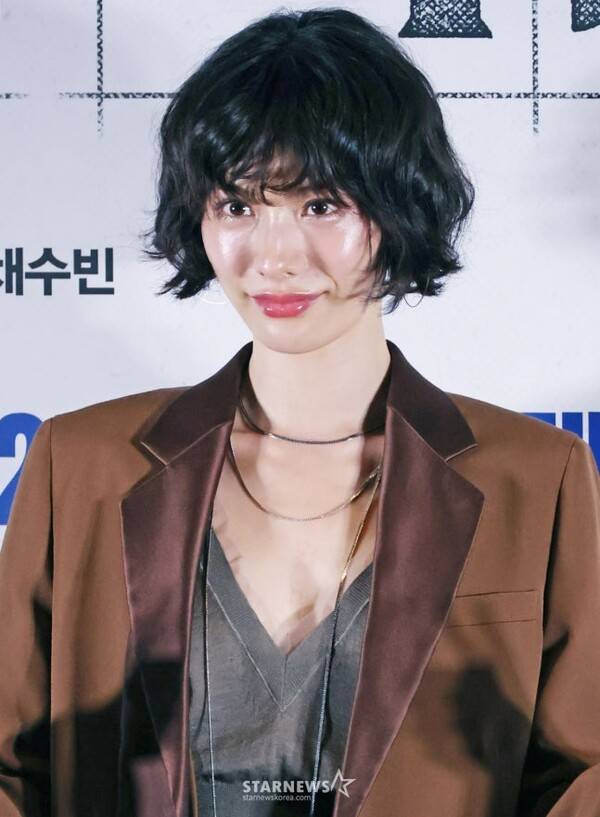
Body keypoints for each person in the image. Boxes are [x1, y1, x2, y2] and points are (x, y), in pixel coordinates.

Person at [1, 7, 599, 817]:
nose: (274, 256)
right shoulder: (81, 464)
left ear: (397, 207)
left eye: (321, 205)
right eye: (237, 206)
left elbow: (583, 772)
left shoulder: (536, 477)